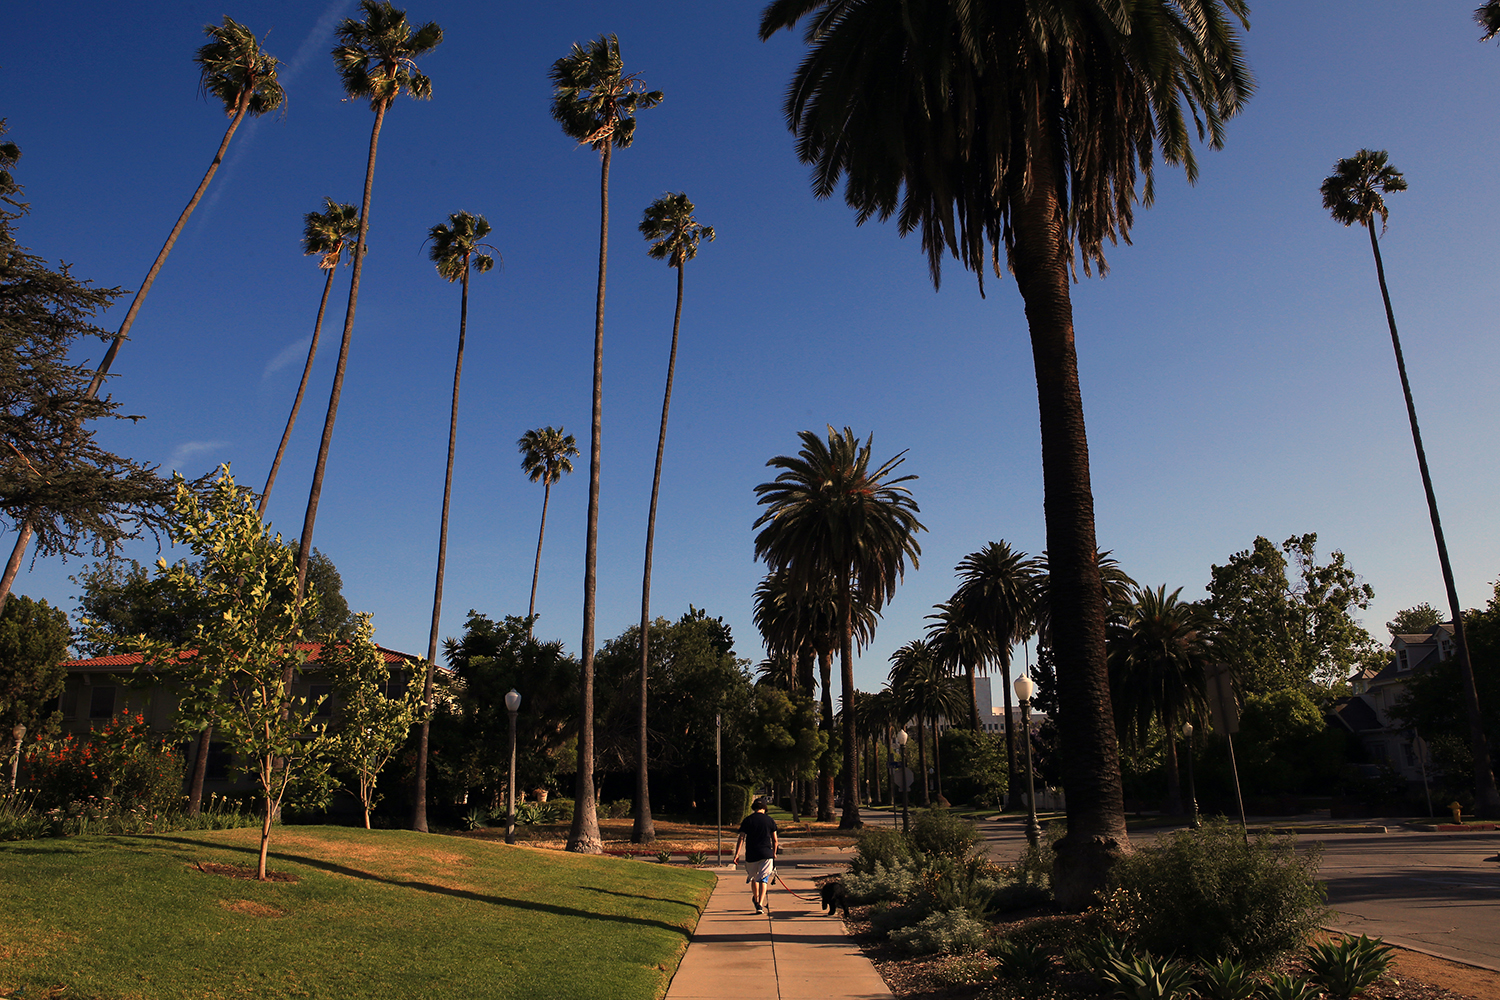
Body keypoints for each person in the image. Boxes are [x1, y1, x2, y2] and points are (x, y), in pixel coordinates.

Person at [731, 796, 779, 914]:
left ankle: (755, 898)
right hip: (766, 854)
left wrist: (737, 854)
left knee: (754, 877)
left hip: (751, 854)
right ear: (764, 808)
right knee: (764, 879)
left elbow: (741, 838)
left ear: (754, 808)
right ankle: (760, 904)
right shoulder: (770, 821)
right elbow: (775, 840)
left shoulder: (748, 820)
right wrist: (774, 853)